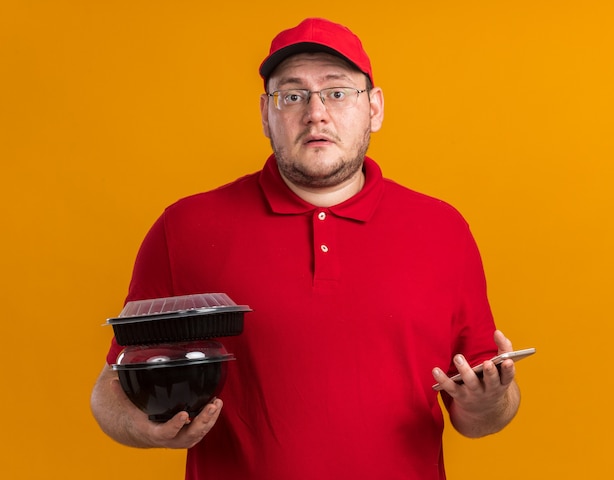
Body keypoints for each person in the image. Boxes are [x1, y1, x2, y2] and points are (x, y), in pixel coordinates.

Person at [91, 17, 521, 480]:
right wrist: (145, 428)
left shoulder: (443, 229)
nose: (315, 112)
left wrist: (491, 403)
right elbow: (111, 392)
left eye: (337, 92)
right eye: (292, 95)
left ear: (374, 107)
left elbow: (480, 412)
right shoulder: (185, 228)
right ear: (265, 113)